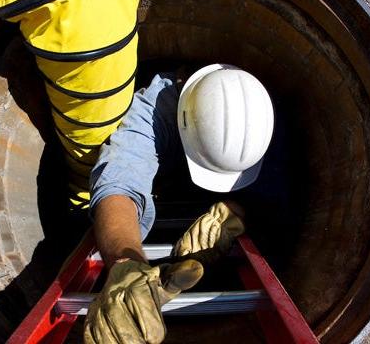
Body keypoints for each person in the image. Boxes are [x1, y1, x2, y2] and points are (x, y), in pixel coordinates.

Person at [84, 64, 275, 343]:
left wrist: (234, 214)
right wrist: (127, 266)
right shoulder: (154, 111)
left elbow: (276, 193)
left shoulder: (257, 121)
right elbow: (119, 183)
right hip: (163, 176)